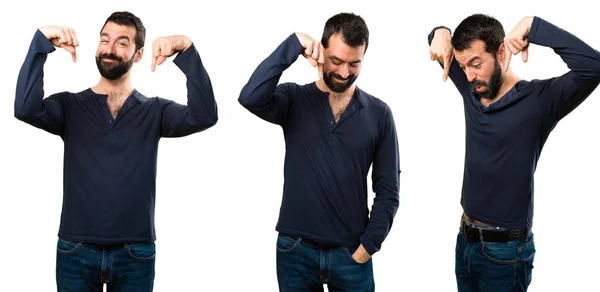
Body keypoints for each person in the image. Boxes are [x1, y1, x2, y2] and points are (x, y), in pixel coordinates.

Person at [14, 11, 218, 291]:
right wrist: (40, 44)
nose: (109, 49)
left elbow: (204, 116)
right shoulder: (70, 106)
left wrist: (187, 50)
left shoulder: (155, 110)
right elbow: (25, 109)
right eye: (105, 40)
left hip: (135, 253)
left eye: (122, 43)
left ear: (138, 54)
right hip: (75, 250)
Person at [428, 14, 600, 291]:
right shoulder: (473, 90)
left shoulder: (538, 101)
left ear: (501, 52)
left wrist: (535, 26)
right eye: (462, 66)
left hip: (506, 254)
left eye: (475, 64)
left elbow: (593, 67)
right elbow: (436, 41)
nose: (469, 76)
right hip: (464, 243)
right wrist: (440, 30)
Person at [238, 12, 400, 291]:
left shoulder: (379, 113)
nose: (344, 72)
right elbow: (250, 96)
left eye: (354, 64)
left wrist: (368, 246)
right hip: (295, 251)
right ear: (322, 50)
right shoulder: (294, 99)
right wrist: (292, 44)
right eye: (336, 61)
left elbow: (388, 189)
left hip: (351, 255)